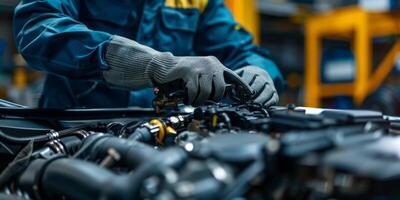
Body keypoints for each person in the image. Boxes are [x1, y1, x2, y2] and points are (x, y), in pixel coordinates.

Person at [13, 0, 284, 109]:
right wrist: (144, 64)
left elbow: (242, 50)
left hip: (162, 140)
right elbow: (37, 25)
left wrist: (258, 71)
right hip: (73, 136)